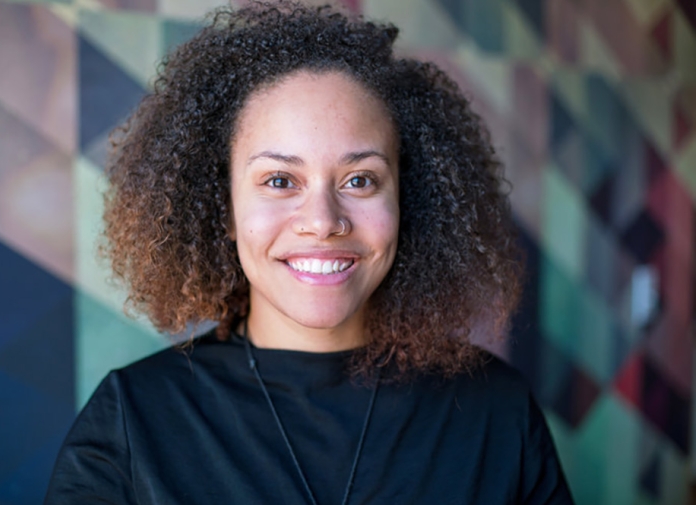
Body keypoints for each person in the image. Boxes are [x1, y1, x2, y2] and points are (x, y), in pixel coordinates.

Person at [45, 2, 574, 504]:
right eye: (279, 180)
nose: (323, 220)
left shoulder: (496, 412)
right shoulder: (133, 420)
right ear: (221, 208)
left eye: (361, 179)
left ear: (407, 200)